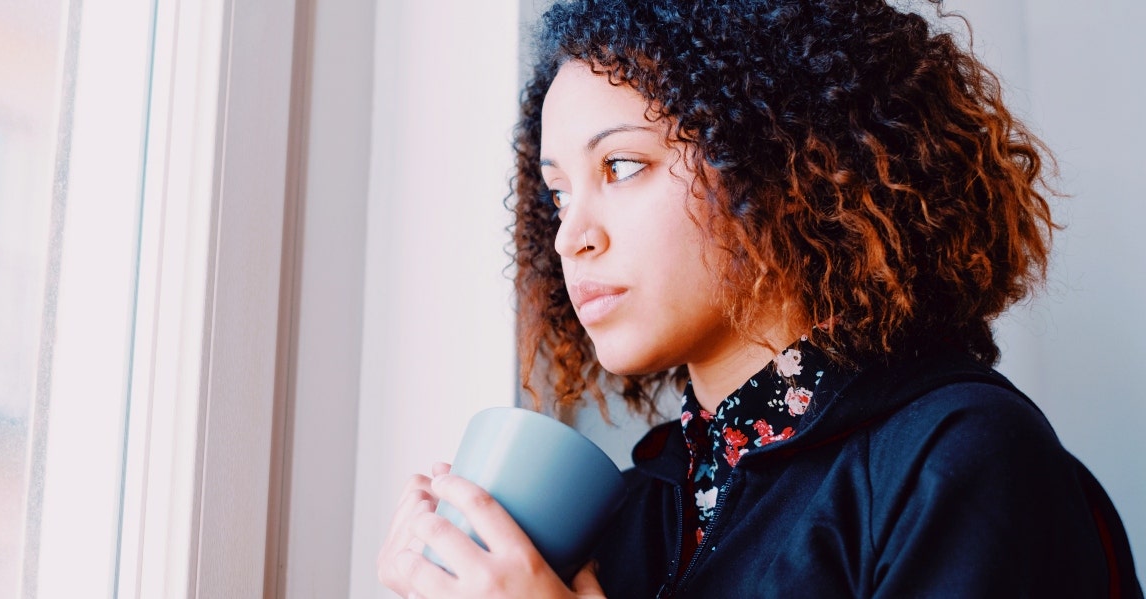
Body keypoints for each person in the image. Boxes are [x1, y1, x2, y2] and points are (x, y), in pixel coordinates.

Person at [378, 0, 1142, 597]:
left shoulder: (958, 455)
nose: (570, 235)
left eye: (620, 166)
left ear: (776, 161)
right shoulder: (635, 508)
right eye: (556, 193)